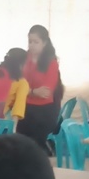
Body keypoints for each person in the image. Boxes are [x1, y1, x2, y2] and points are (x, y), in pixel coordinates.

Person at [18, 25, 63, 153]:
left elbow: (45, 93)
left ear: (44, 43)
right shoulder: (24, 58)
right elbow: (17, 85)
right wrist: (33, 91)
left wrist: (26, 91)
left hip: (44, 110)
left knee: (35, 147)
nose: (32, 45)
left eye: (36, 42)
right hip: (26, 107)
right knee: (19, 144)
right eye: (30, 41)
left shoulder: (51, 62)